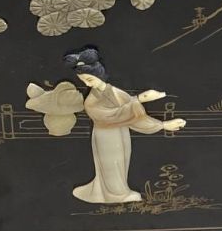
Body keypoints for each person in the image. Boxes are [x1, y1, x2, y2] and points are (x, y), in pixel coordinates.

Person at [25, 46, 185, 204]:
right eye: (84, 81)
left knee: (122, 162)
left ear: (99, 75)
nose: (87, 85)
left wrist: (163, 125)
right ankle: (117, 195)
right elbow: (113, 116)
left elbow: (133, 116)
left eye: (89, 80)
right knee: (111, 164)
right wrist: (139, 99)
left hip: (120, 132)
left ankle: (119, 191)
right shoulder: (91, 102)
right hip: (105, 135)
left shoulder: (115, 92)